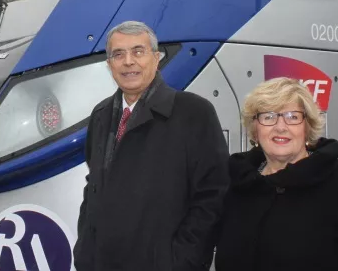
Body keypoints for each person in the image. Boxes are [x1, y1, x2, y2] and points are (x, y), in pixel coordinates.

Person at [73, 20, 229, 271]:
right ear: (109, 64)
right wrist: (84, 252)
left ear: (156, 59)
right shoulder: (101, 115)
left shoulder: (193, 112)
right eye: (118, 54)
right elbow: (94, 186)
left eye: (138, 51)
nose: (128, 62)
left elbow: (213, 195)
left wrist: (182, 261)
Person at [214, 77, 338, 271]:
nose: (280, 126)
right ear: (255, 128)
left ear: (307, 127)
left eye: (292, 117)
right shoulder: (237, 187)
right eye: (268, 116)